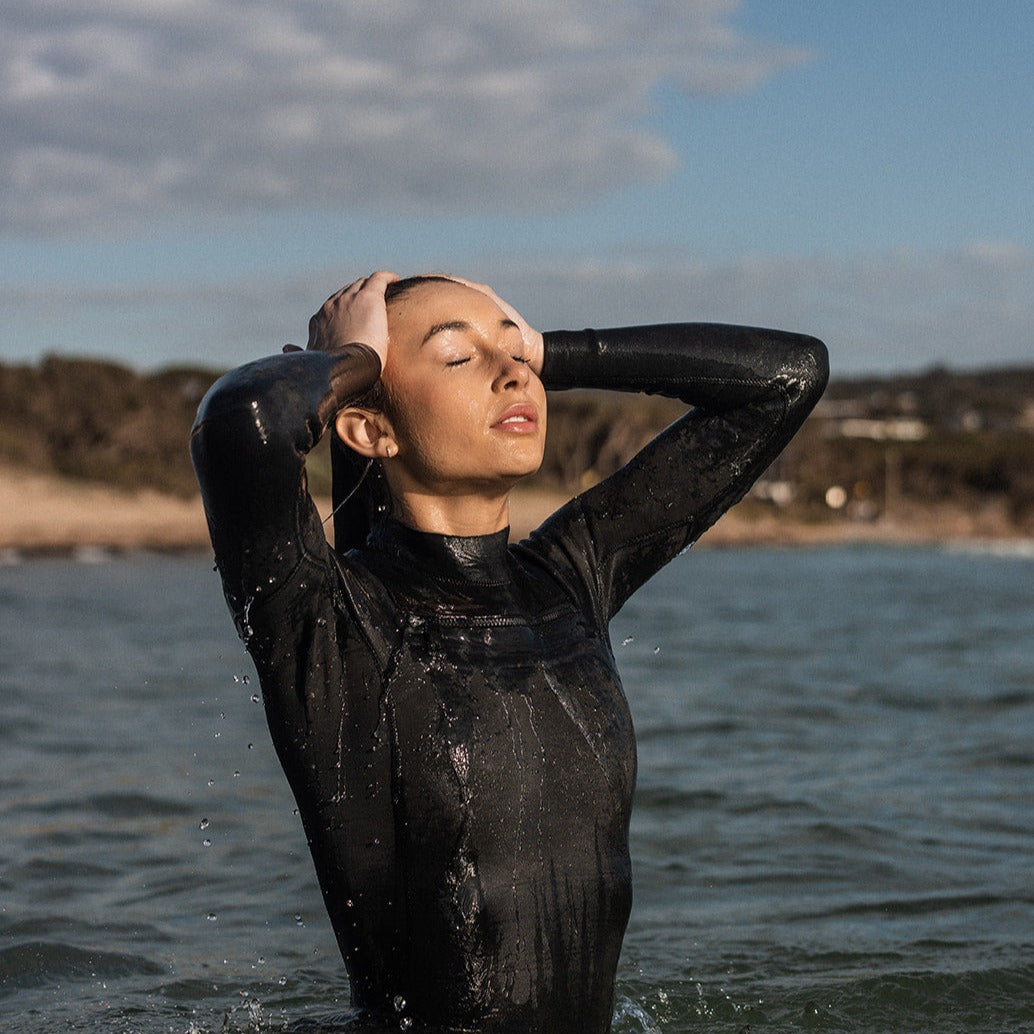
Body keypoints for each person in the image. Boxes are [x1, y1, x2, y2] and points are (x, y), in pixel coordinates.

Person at [190, 271, 828, 1033]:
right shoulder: (330, 622)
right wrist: (355, 354)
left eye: (514, 347)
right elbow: (244, 420)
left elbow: (789, 377)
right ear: (368, 429)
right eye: (459, 357)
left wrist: (552, 350)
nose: (511, 371)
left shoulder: (570, 576)